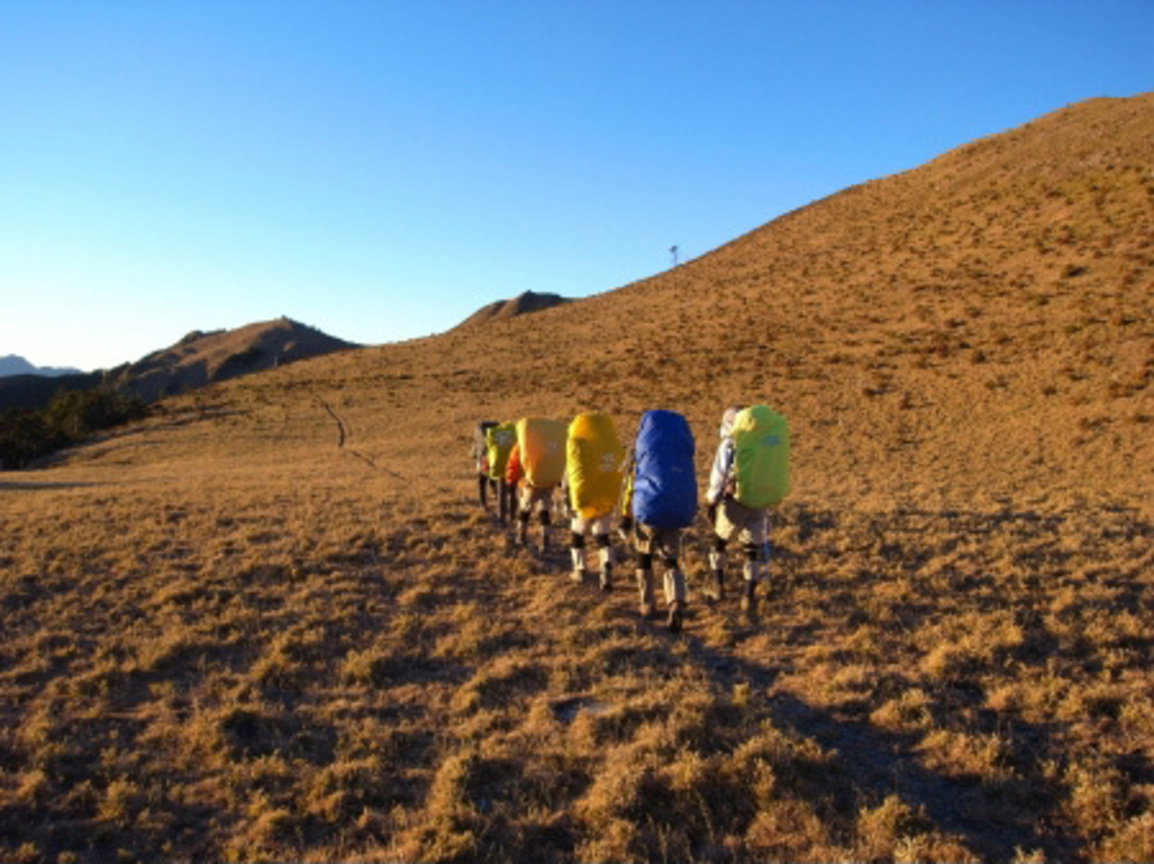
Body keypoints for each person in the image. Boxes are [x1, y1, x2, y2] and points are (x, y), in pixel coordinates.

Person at [704, 404, 791, 614]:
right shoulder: (762, 439)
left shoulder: (730, 443)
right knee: (752, 549)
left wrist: (711, 501)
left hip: (736, 499)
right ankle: (748, 597)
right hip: (762, 497)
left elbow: (719, 475)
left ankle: (718, 588)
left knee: (719, 542)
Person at [619, 409, 697, 633]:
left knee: (644, 556)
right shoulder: (681, 449)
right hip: (676, 509)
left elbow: (630, 485)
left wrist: (625, 515)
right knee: (671, 560)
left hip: (648, 509)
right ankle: (676, 602)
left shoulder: (641, 450)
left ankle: (647, 602)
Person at [564, 411, 626, 590]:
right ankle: (606, 566)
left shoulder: (578, 447)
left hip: (584, 498)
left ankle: (580, 568)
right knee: (602, 535)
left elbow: (571, 475)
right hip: (607, 496)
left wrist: (567, 494)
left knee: (577, 533)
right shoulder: (609, 446)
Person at [509, 417, 567, 550]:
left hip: (530, 484)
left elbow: (513, 463)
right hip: (548, 483)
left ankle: (521, 537)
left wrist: (512, 480)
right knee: (544, 512)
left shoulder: (523, 446)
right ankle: (545, 542)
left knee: (525, 510)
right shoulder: (544, 446)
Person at [484, 421, 518, 523]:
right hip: (512, 466)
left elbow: (489, 450)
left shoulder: (493, 433)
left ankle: (501, 517)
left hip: (499, 465)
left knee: (501, 493)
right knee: (513, 492)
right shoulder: (514, 432)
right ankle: (513, 516)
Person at [473, 420, 499, 508]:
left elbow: (473, 452)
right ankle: (499, 500)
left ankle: (483, 503)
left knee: (482, 482)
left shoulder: (480, 435)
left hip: (484, 460)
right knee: (494, 481)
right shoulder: (497, 434)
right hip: (496, 460)